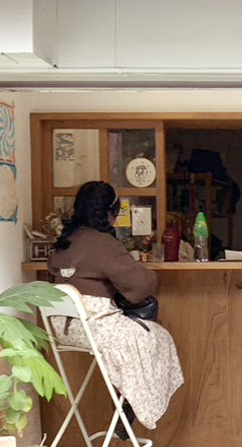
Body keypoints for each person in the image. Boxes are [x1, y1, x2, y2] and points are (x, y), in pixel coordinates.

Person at [48, 181, 185, 433]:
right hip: (96, 326)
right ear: (111, 212)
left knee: (138, 336)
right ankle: (133, 403)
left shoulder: (64, 241)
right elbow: (141, 284)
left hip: (64, 329)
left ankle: (128, 402)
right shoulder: (103, 243)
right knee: (157, 337)